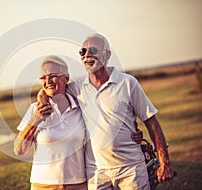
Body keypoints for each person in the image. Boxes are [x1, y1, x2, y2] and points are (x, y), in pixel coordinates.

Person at [62, 33, 174, 189]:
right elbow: (52, 90)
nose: (87, 55)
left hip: (131, 169)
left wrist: (165, 162)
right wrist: (41, 95)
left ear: (107, 55)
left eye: (93, 50)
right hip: (96, 171)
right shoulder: (76, 88)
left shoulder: (128, 83)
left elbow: (151, 121)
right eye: (83, 51)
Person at [14, 55, 143, 190]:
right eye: (43, 78)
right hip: (43, 185)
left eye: (53, 76)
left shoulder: (81, 106)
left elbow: (107, 122)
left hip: (78, 184)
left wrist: (132, 131)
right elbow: (19, 150)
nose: (48, 81)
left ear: (66, 79)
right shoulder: (36, 109)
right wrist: (35, 120)